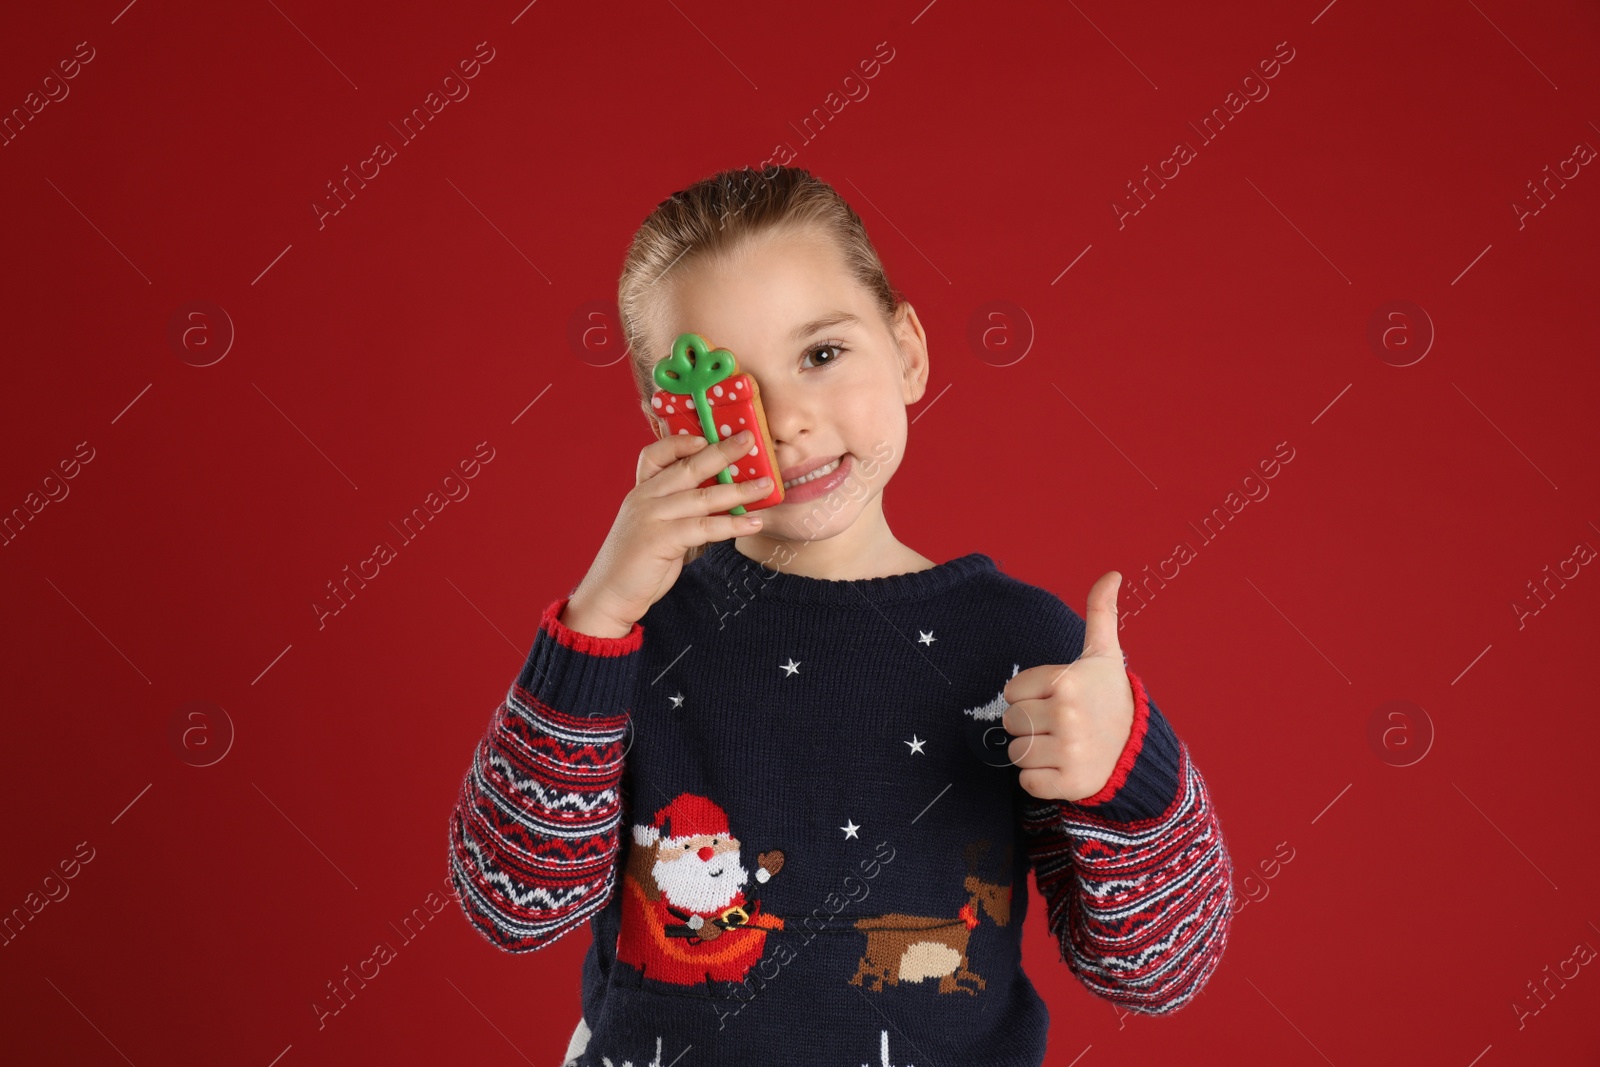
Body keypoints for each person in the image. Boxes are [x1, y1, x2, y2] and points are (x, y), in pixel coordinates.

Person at [447, 165, 1234, 1067]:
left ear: (907, 350)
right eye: (727, 387)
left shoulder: (1026, 650)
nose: (786, 422)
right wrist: (596, 620)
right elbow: (509, 905)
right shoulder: (627, 639)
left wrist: (1128, 774)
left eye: (821, 354)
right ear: (668, 421)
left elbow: (1161, 970)